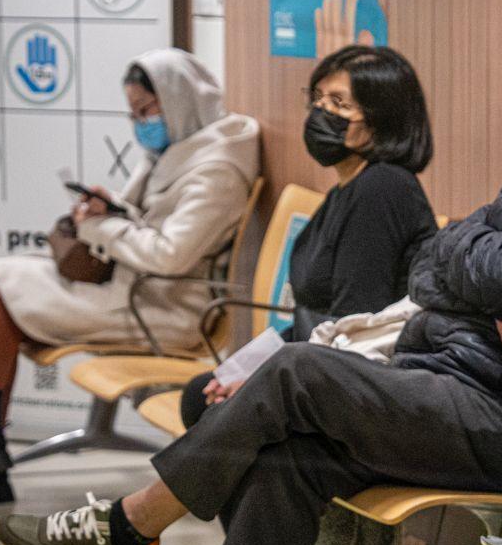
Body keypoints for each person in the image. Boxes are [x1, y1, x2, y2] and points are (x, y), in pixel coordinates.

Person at [0, 34, 502, 545]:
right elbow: (433, 266)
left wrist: (492, 277)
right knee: (287, 454)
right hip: (453, 385)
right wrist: (491, 282)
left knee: (300, 371)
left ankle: (128, 528)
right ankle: (130, 536)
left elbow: (500, 271)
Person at [0, 49, 260, 506]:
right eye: (133, 113)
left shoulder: (217, 169)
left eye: (147, 111)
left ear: (177, 101)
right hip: (134, 289)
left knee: (2, 283)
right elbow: (151, 222)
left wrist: (101, 227)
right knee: (1, 281)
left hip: (163, 308)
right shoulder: (180, 146)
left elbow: (172, 254)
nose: (140, 123)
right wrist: (111, 207)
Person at [182, 44, 438, 427]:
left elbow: (353, 323)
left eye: (339, 103)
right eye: (318, 99)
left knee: (215, 409)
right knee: (205, 391)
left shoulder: (382, 190)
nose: (322, 112)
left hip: (364, 378)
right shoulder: (345, 190)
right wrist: (244, 366)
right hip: (319, 356)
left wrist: (263, 377)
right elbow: (310, 317)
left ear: (382, 119)